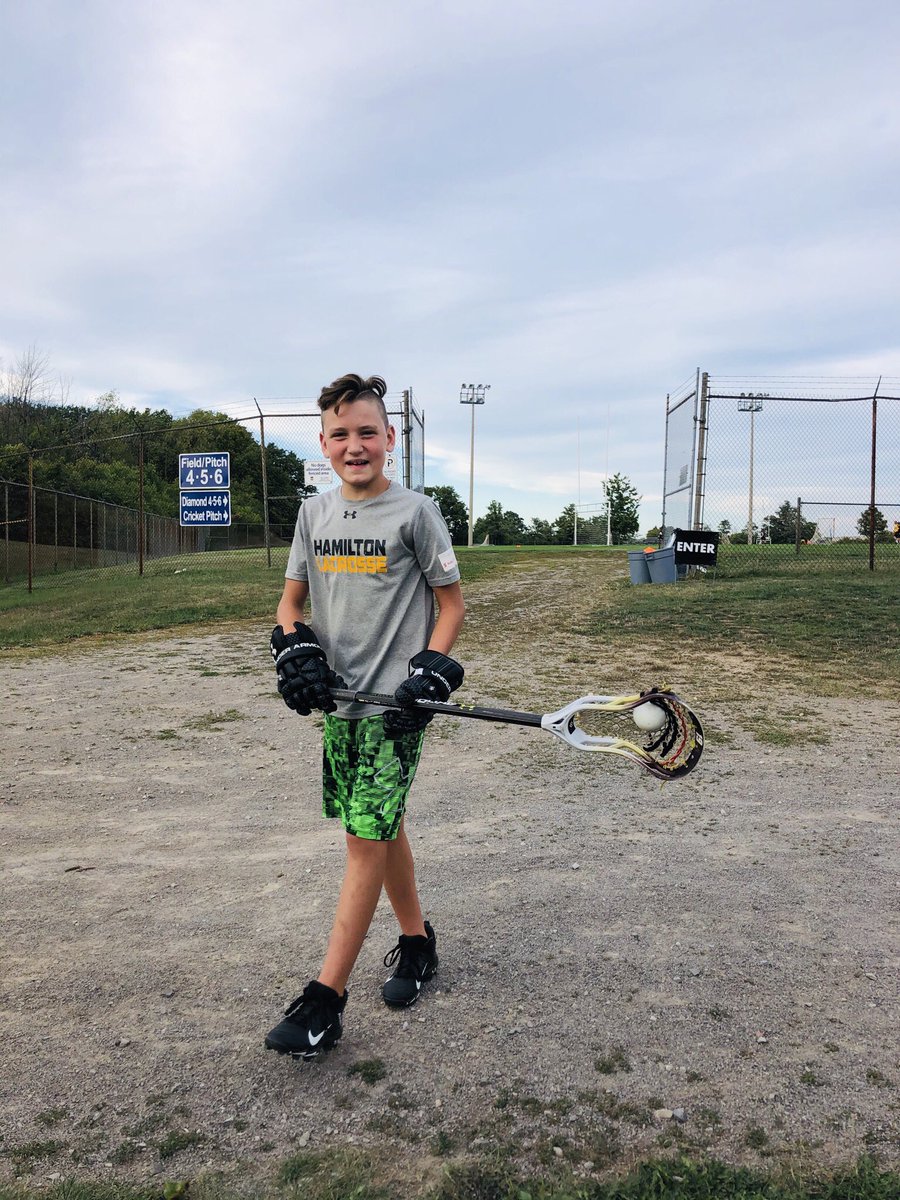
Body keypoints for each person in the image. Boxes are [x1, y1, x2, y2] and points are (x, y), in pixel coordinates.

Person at [264, 374, 465, 1059]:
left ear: (391, 439)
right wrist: (295, 645)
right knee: (381, 826)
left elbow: (453, 605)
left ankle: (325, 999)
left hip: (398, 710)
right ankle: (416, 943)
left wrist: (430, 670)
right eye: (341, 434)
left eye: (367, 432)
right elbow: (290, 605)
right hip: (341, 709)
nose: (356, 445)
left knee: (363, 837)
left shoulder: (416, 513)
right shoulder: (313, 516)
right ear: (323, 443)